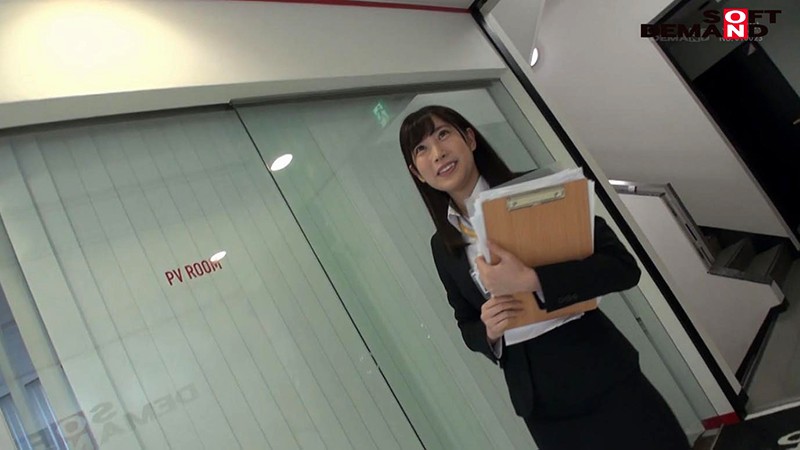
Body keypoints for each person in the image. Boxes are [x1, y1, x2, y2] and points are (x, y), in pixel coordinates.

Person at [399, 105, 690, 450]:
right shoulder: (442, 246)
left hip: (602, 374)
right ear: (417, 173)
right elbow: (466, 323)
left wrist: (532, 279)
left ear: (470, 139)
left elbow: (622, 267)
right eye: (421, 149)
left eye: (443, 134)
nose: (437, 153)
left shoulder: (538, 190)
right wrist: (489, 331)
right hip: (541, 404)